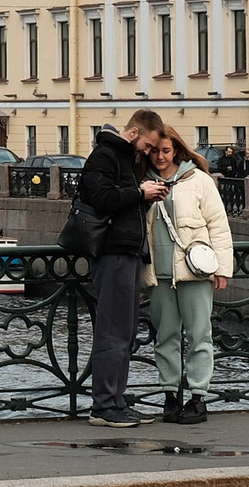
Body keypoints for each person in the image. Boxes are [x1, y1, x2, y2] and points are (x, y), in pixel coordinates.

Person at [78, 109, 170, 429]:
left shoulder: (125, 160)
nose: (147, 153)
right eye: (146, 146)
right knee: (113, 332)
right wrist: (139, 192)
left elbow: (122, 201)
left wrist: (144, 196)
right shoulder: (104, 156)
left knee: (126, 331)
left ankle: (116, 400)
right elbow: (102, 198)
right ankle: (103, 405)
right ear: (133, 135)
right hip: (112, 253)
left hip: (128, 252)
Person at [142, 136, 233, 425]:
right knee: (165, 337)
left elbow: (218, 224)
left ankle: (198, 397)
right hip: (160, 273)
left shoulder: (198, 180)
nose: (160, 157)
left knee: (199, 336)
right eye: (155, 151)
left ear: (177, 151)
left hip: (194, 272)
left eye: (166, 151)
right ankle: (170, 396)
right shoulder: (143, 182)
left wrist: (222, 269)